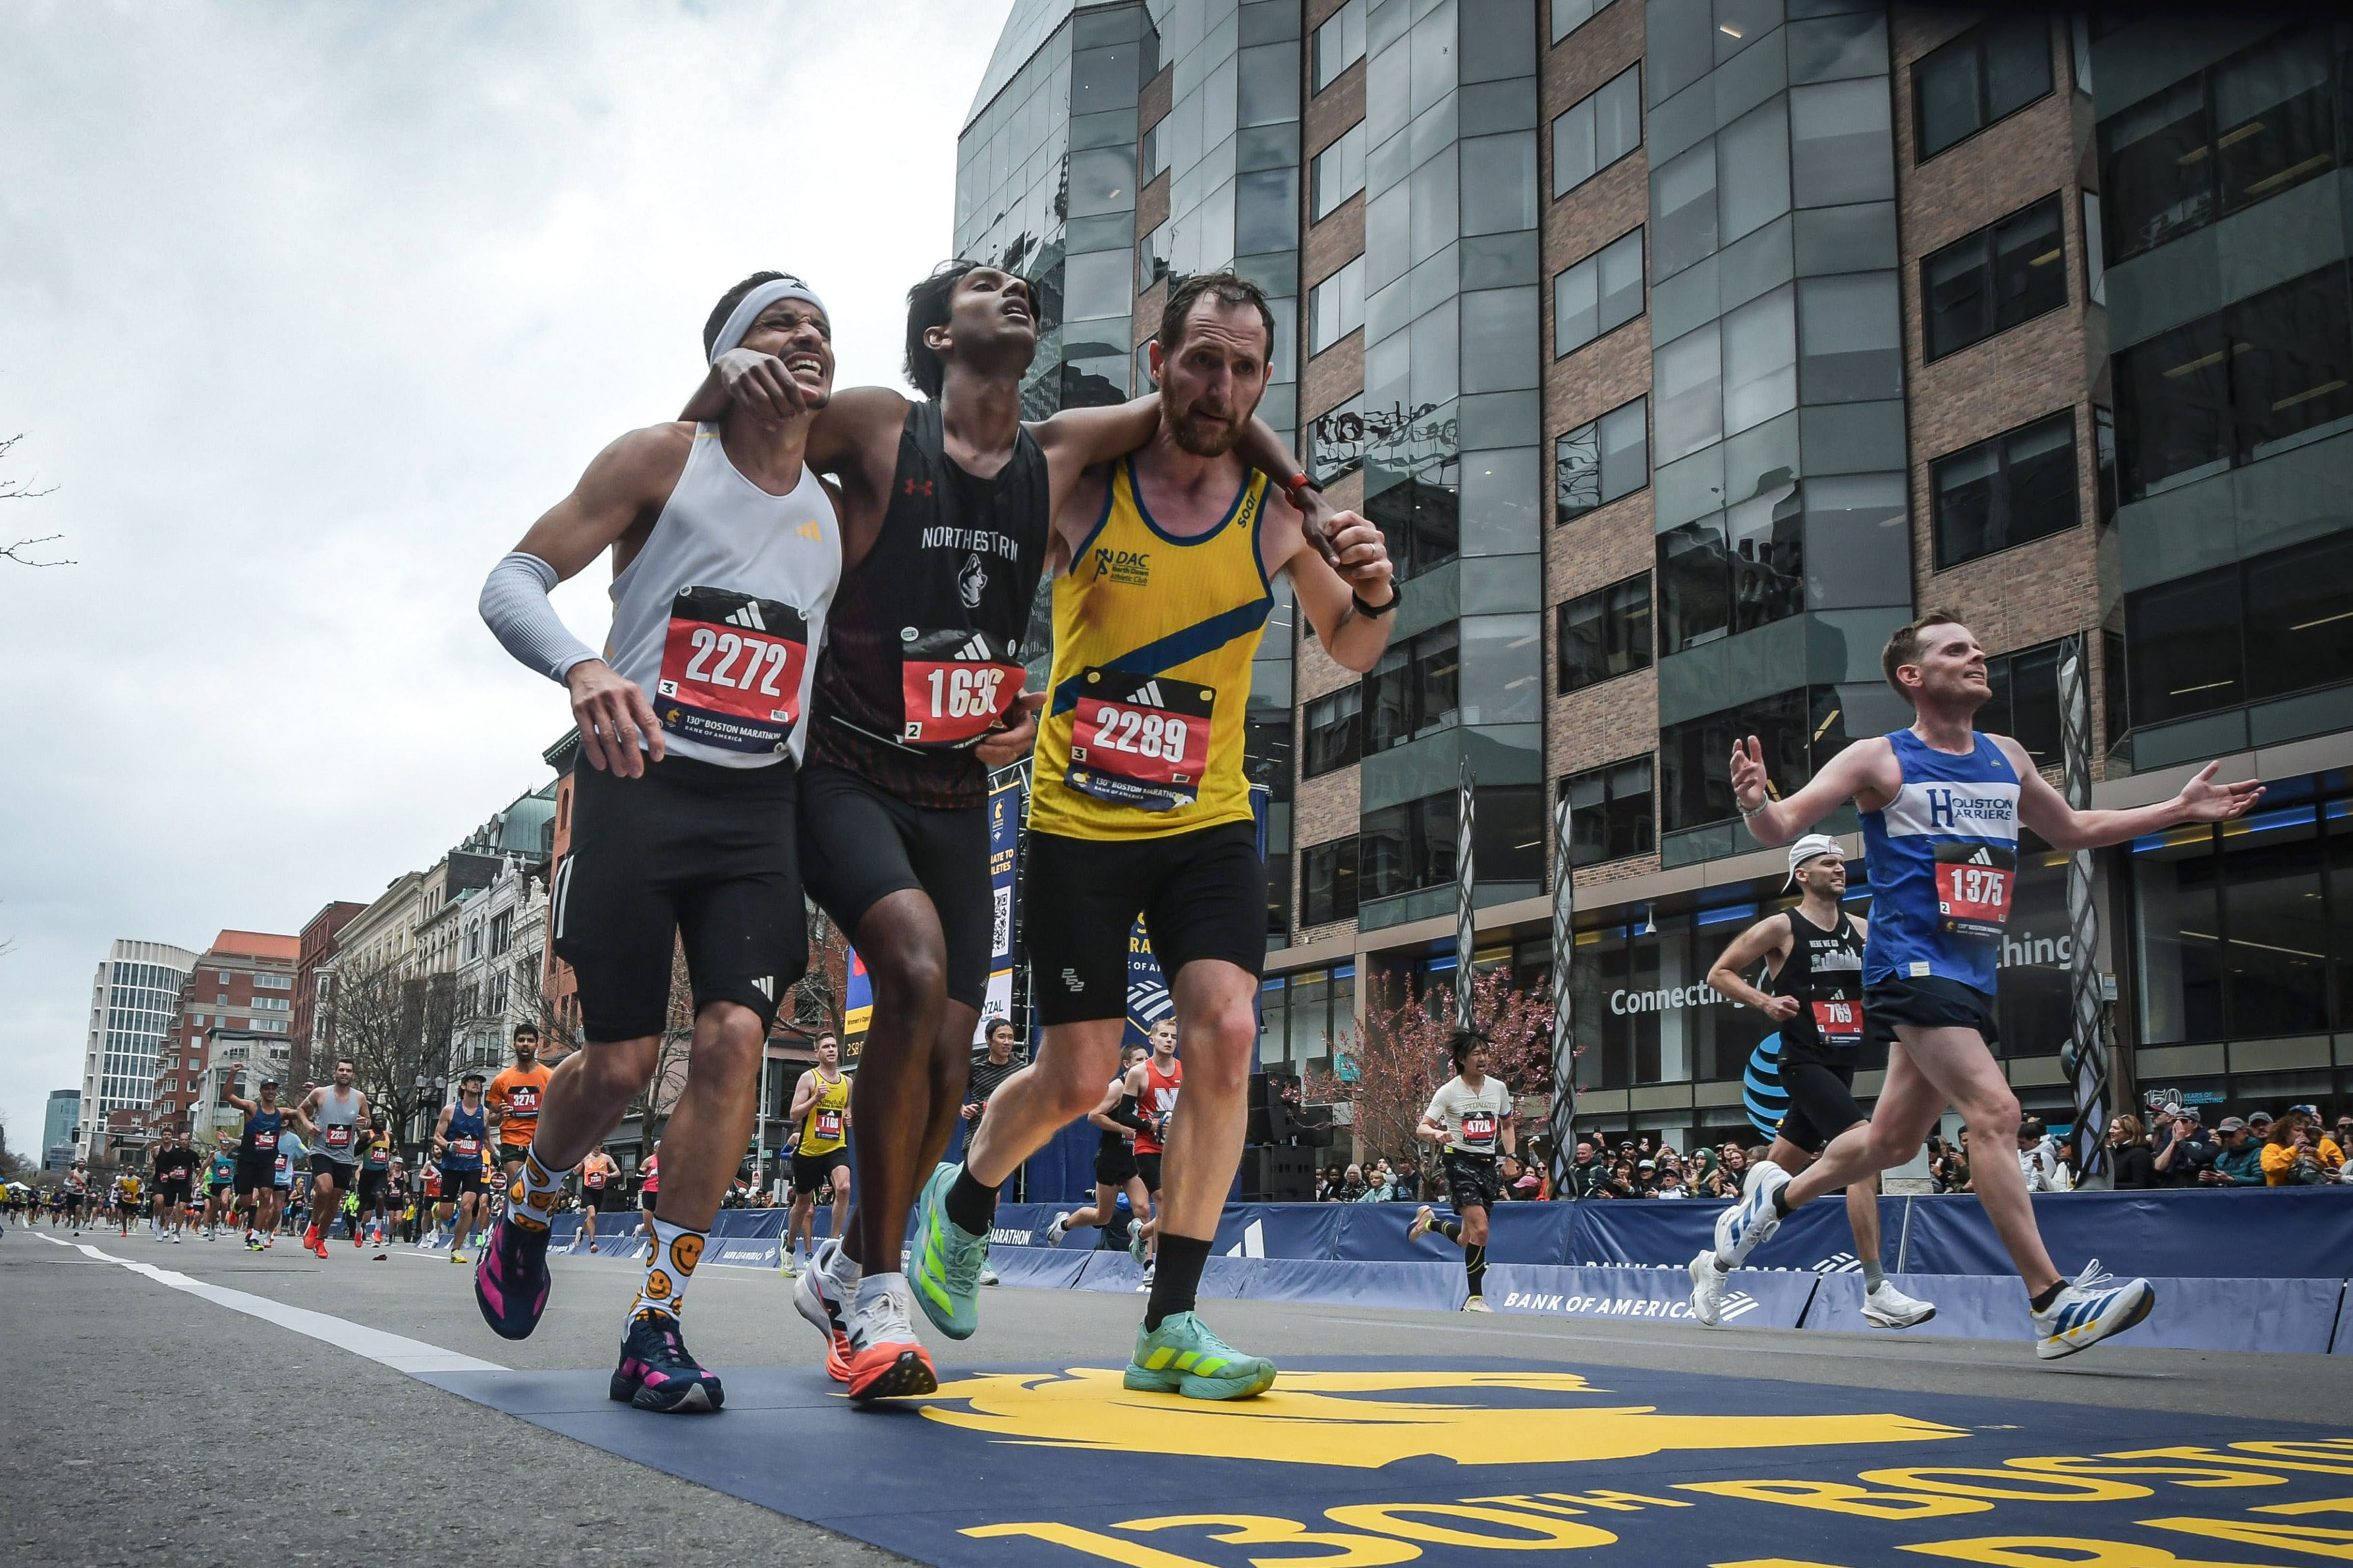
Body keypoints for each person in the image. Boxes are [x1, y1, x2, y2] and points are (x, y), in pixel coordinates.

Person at [688, 262, 1306, 1404]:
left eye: (1021, 284)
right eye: (982, 284)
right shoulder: (881, 419)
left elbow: (1198, 406)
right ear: (935, 335)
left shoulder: (1056, 448)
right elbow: (739, 455)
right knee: (915, 975)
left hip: (956, 789)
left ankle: (870, 1254)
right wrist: (721, 385)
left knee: (946, 1045)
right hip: (843, 768)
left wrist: (1288, 472)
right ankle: (874, 1292)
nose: (1011, 288)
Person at [905, 271, 1397, 1401]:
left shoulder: (1277, 513)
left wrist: (1375, 588)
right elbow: (989, 587)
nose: (1221, 384)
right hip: (1076, 820)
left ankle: (1171, 1321)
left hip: (1208, 820)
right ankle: (964, 1199)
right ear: (1157, 361)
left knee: (1225, 1028)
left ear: (1266, 380)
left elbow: (1354, 646)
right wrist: (988, 698)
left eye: (1245, 367)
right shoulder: (1089, 487)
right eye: (1200, 360)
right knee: (1078, 1074)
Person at [472, 272, 845, 1417]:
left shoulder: (834, 506)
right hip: (637, 787)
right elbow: (511, 579)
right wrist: (583, 666)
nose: (808, 339)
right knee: (626, 1062)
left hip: (754, 813)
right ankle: (529, 1207)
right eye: (781, 323)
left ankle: (657, 1324)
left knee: (735, 1036)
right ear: (729, 356)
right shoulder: (659, 459)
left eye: (824, 327)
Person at [1694, 610, 2262, 1359]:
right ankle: (2050, 1302)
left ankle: (1765, 1206)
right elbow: (1783, 824)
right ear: (1911, 675)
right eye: (1955, 649)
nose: (1976, 655)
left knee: (1891, 1140)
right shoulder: (1878, 758)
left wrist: (2177, 808)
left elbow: (2072, 830)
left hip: (1969, 974)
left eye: (1976, 646)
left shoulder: (2005, 756)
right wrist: (1752, 801)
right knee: (1994, 1111)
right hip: (1907, 968)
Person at [1700, 833, 1935, 1330]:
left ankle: (1715, 1267)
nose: (1840, 868)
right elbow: (1719, 973)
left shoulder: (1862, 929)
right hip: (1801, 1062)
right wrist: (1766, 1002)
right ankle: (1876, 1289)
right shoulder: (1783, 926)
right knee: (1863, 1156)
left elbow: (1895, 979)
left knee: (1772, 1186)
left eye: (1842, 862)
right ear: (1802, 874)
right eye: (1828, 862)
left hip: (1842, 1062)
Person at [1406, 1031, 1516, 1312]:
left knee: (1467, 1239)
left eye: (1485, 1053)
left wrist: (1511, 1157)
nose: (1483, 1059)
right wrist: (1437, 1133)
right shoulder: (1449, 1091)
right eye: (1476, 1054)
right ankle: (1475, 1299)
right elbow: (1422, 1127)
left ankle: (1428, 1223)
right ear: (1461, 1059)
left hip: (1487, 1164)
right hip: (1459, 1163)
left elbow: (1506, 1125)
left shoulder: (1499, 1088)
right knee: (1481, 1229)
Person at [1045, 1042, 1151, 1250]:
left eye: (1147, 1059)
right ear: (1127, 1064)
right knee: (1103, 1216)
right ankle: (1064, 1224)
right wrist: (1123, 1129)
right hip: (1111, 1159)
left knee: (1143, 1209)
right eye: (1140, 1060)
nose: (1146, 1063)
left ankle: (1148, 1265)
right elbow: (1093, 1115)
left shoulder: (1147, 1088)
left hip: (1134, 1160)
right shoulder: (1118, 1087)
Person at [1115, 1017, 1184, 1284]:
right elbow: (1124, 1115)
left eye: (1174, 1037)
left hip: (1176, 1148)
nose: (1170, 1040)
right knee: (1164, 1199)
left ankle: (1142, 1234)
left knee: (1176, 1209)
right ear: (1152, 1040)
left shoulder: (1183, 1071)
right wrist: (1151, 1124)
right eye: (1164, 1036)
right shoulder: (1139, 1073)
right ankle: (1163, 1267)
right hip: (1147, 1147)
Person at [783, 1034, 852, 1280]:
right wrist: (816, 1099)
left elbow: (847, 1108)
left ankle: (833, 1246)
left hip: (836, 1147)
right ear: (817, 1053)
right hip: (809, 1151)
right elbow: (793, 1114)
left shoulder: (847, 1082)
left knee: (844, 1187)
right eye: (826, 1047)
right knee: (803, 1205)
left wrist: (848, 1116)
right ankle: (790, 1246)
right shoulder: (809, 1078)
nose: (831, 1050)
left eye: (834, 1046)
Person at [292, 1058, 370, 1260]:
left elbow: (367, 1121)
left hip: (345, 1156)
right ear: (335, 1072)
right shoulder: (320, 1093)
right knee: (324, 1189)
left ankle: (320, 1239)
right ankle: (314, 1225)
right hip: (321, 1150)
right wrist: (307, 1124)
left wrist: (364, 1123)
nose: (344, 1073)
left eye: (348, 1071)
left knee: (335, 1200)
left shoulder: (360, 1098)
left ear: (353, 1074)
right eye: (341, 1070)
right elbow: (301, 1110)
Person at [487, 1025, 554, 1203]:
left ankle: (535, 1229)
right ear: (515, 1043)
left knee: (538, 1192)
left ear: (537, 1045)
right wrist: (500, 1115)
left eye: (530, 1040)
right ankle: (512, 1227)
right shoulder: (501, 1080)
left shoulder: (549, 1076)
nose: (526, 1044)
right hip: (512, 1142)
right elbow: (491, 1119)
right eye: (521, 1040)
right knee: (517, 1190)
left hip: (540, 1141)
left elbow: (559, 1111)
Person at [222, 1079, 291, 1250]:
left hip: (267, 1163)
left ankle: (254, 1236)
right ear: (261, 1091)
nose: (270, 1092)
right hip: (247, 1162)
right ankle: (238, 1206)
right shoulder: (252, 1108)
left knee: (266, 1195)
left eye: (273, 1089)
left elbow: (304, 1111)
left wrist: (312, 1094)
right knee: (247, 1202)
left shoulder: (280, 1113)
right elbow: (228, 1096)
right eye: (267, 1089)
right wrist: (233, 1074)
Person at [433, 1072, 494, 1264]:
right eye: (472, 1081)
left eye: (480, 1082)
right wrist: (448, 1146)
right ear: (463, 1086)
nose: (477, 1084)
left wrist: (498, 1154)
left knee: (467, 1206)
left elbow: (487, 1140)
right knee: (446, 1214)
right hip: (452, 1166)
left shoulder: (484, 1113)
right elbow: (437, 1137)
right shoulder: (450, 1111)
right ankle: (438, 1208)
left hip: (473, 1167)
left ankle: (456, 1249)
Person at [2261, 1108, 2345, 1185]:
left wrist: (2317, 1155)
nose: (2302, 1134)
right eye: (2298, 1130)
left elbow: (2331, 1172)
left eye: (2304, 1131)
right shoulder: (2272, 1147)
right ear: (2285, 1132)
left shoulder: (2308, 1148)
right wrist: (2294, 1149)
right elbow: (2269, 1167)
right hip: (2281, 1194)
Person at [355, 1114, 395, 1255]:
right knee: (364, 1204)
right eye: (379, 1121)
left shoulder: (390, 1136)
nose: (382, 1123)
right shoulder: (366, 1135)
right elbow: (356, 1152)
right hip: (367, 1173)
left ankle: (378, 1230)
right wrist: (371, 1142)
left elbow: (392, 1149)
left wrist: (394, 1152)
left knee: (380, 1197)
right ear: (373, 1123)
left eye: (384, 1121)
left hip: (381, 1173)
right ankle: (358, 1229)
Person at [151, 1131, 198, 1244]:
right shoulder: (168, 1152)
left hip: (184, 1184)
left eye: (186, 1140)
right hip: (170, 1183)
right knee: (166, 1209)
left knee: (182, 1207)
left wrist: (198, 1170)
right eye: (182, 1140)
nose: (184, 1142)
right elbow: (161, 1166)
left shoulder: (192, 1154)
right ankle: (160, 1227)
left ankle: (177, 1233)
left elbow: (198, 1165)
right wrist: (169, 1172)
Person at [577, 1147, 621, 1251]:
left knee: (591, 1218)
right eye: (595, 1145)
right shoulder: (586, 1157)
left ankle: (581, 1232)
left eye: (599, 1146)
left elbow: (618, 1173)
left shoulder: (606, 1158)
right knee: (591, 1215)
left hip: (600, 1191)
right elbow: (576, 1171)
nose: (596, 1148)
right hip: (588, 1190)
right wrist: (577, 1169)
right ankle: (592, 1243)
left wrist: (608, 1174)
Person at [2201, 1117, 2263, 1187]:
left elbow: (2260, 1180)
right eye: (2223, 1135)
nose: (2226, 1138)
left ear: (2244, 1133)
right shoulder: (2222, 1157)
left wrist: (2232, 1180)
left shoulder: (2258, 1153)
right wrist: (2206, 1179)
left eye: (2230, 1134)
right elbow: (2215, 1186)